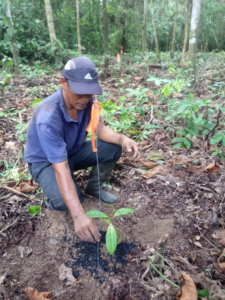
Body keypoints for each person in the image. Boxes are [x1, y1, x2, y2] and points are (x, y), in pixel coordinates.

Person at [24, 57, 139, 243]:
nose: (85, 98)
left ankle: (93, 186)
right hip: (45, 162)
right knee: (66, 203)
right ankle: (52, 198)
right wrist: (78, 215)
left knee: (112, 148)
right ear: (63, 83)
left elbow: (100, 129)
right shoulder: (49, 116)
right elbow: (60, 169)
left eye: (89, 92)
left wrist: (122, 138)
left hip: (70, 152)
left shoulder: (87, 103)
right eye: (80, 92)